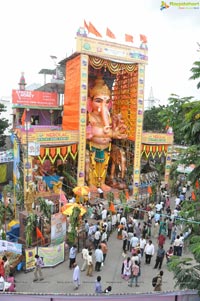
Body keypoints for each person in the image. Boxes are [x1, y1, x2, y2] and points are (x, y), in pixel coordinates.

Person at [86, 76, 127, 189]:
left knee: (104, 166)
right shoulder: (90, 116)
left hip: (106, 147)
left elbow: (109, 131)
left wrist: (115, 133)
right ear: (90, 102)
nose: (103, 105)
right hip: (93, 146)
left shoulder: (108, 118)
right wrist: (110, 133)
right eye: (98, 101)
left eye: (107, 102)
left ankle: (102, 182)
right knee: (92, 165)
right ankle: (91, 183)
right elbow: (95, 132)